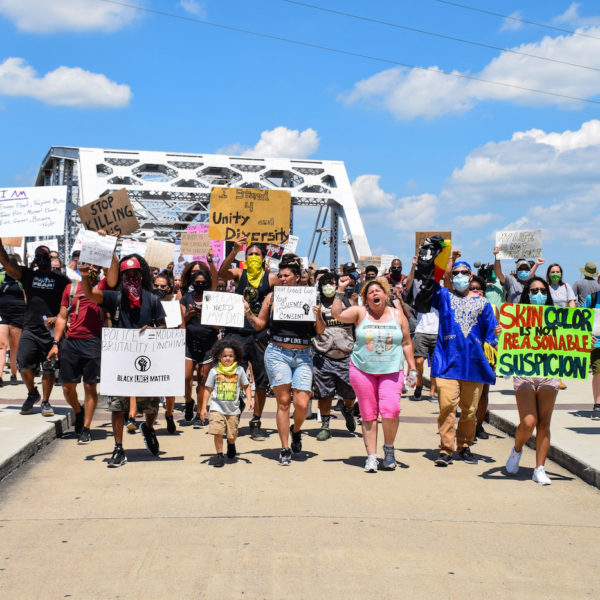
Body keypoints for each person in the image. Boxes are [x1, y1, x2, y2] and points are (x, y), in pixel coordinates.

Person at [80, 255, 166, 468]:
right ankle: (118, 448)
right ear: (121, 278)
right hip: (119, 358)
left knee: (151, 406)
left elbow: (164, 327)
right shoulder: (114, 298)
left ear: (141, 275)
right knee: (117, 406)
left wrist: (154, 330)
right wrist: (84, 279)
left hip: (146, 359)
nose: (131, 278)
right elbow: (91, 294)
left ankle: (148, 427)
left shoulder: (153, 299)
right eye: (126, 275)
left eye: (135, 274)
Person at [244, 254, 326, 466]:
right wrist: (247, 313)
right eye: (280, 275)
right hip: (278, 352)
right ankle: (284, 447)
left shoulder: (311, 297)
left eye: (287, 275)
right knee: (282, 403)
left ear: (297, 277)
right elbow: (260, 324)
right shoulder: (271, 298)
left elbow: (320, 331)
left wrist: (317, 316)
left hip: (303, 354)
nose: (282, 279)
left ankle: (296, 430)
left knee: (302, 402)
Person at [331, 276, 417, 473]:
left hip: (392, 371)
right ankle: (371, 456)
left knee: (391, 410)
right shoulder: (360, 313)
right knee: (368, 415)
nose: (375, 294)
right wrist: (340, 290)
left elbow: (406, 343)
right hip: (362, 370)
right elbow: (337, 313)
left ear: (386, 296)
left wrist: (412, 368)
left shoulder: (397, 315)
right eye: (370, 293)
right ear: (366, 299)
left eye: (378, 291)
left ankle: (389, 449)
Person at [431, 251, 499, 466]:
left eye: (464, 273)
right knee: (447, 407)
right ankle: (445, 448)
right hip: (447, 362)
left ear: (471, 276)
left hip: (474, 365)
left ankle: (465, 446)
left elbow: (490, 334)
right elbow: (433, 282)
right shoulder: (444, 297)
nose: (460, 276)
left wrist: (495, 336)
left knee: (470, 411)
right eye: (456, 273)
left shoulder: (484, 304)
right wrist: (449, 261)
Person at [47, 251, 118, 444]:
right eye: (88, 265)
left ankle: (86, 427)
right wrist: (55, 343)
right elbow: (62, 317)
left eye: (96, 266)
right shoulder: (71, 289)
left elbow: (113, 275)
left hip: (93, 341)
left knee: (90, 385)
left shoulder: (102, 287)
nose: (92, 269)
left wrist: (110, 249)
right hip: (71, 342)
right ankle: (78, 412)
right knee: (68, 386)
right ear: (81, 266)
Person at [218, 236, 279, 441]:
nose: (253, 257)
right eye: (250, 254)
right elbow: (221, 273)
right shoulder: (239, 274)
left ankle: (256, 422)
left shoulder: (270, 278)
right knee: (231, 376)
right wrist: (234, 251)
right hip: (237, 333)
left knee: (261, 380)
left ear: (263, 258)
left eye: (257, 254)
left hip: (260, 335)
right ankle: (230, 416)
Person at [0, 242, 70, 416]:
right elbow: (8, 264)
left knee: (48, 367)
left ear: (51, 257)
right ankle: (32, 393)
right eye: (39, 255)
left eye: (45, 254)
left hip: (51, 331)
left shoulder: (61, 279)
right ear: (36, 260)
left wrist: (59, 317)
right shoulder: (28, 275)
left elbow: (73, 301)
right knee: (23, 365)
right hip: (30, 328)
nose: (43, 257)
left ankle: (45, 401)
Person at [505, 277, 560, 485]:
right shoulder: (518, 318)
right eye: (534, 291)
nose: (539, 295)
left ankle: (539, 468)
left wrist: (585, 342)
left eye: (543, 291)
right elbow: (507, 344)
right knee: (529, 422)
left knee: (544, 423)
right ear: (527, 294)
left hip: (549, 374)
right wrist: (501, 334)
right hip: (525, 374)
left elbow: (569, 343)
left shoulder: (558, 318)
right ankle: (516, 450)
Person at [311, 271, 357, 441]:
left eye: (332, 283)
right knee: (325, 393)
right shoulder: (316, 305)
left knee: (350, 393)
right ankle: (325, 424)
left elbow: (357, 326)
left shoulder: (348, 302)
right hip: (324, 356)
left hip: (346, 355)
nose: (328, 287)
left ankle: (348, 410)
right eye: (325, 283)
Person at [200, 339, 253, 467]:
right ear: (219, 356)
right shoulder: (214, 371)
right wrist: (203, 408)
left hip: (233, 410)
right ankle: (219, 455)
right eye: (224, 356)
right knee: (217, 431)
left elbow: (246, 386)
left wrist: (250, 400)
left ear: (235, 357)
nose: (227, 358)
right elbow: (208, 389)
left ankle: (231, 443)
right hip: (217, 407)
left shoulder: (239, 370)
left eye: (230, 356)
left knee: (232, 435)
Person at [179, 260, 218, 426]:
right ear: (192, 283)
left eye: (203, 283)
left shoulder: (213, 298)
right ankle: (188, 401)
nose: (200, 285)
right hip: (189, 342)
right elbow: (181, 324)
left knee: (203, 379)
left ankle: (201, 412)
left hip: (208, 343)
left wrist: (204, 315)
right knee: (186, 377)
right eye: (197, 283)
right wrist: (189, 314)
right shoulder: (186, 298)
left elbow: (218, 325)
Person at [404, 256, 439, 402]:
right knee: (418, 362)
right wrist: (413, 266)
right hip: (421, 331)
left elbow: (448, 279)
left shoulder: (439, 288)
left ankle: (432, 392)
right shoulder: (419, 288)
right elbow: (408, 284)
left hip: (438, 332)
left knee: (436, 365)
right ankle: (418, 385)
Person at [153, 269, 180, 434]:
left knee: (170, 391)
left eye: (162, 286)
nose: (158, 288)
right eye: (156, 285)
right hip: (151, 349)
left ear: (169, 288)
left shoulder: (174, 303)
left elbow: (178, 328)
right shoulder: (146, 301)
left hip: (169, 349)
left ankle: (169, 414)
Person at [0, 255, 25, 386]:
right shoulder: (1, 277)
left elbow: (27, 296)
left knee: (15, 347)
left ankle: (14, 373)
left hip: (18, 315)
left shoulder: (21, 278)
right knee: (2, 345)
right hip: (2, 314)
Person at [583, 289, 600, 421]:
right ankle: (597, 405)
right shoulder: (592, 298)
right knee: (598, 372)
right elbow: (583, 321)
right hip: (596, 344)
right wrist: (587, 337)